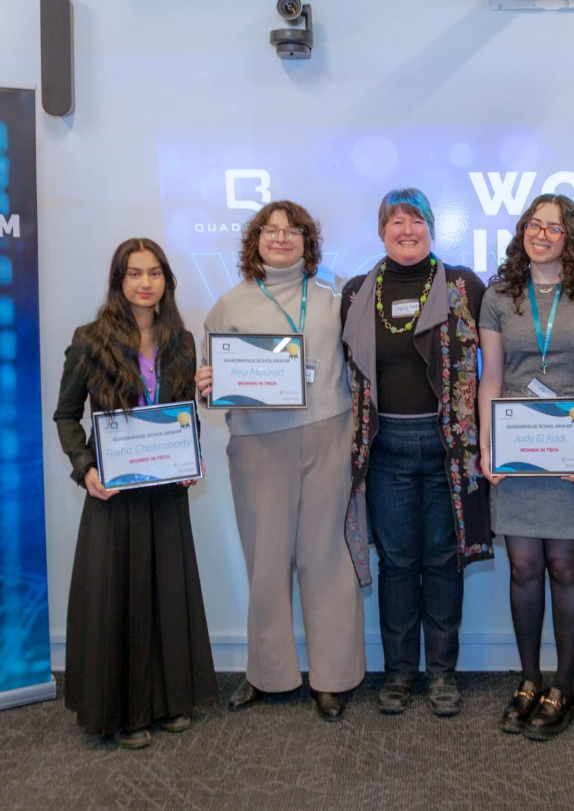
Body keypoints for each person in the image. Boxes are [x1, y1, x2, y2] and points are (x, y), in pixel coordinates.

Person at [195, 201, 367, 721]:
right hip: (258, 445)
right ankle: (267, 674)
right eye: (270, 231)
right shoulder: (228, 305)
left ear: (308, 242)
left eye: (292, 231)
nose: (281, 238)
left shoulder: (336, 298)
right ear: (255, 241)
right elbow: (211, 383)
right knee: (266, 562)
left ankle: (333, 677)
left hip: (328, 436)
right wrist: (207, 387)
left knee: (327, 559)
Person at [54, 238, 217, 749]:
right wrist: (84, 468)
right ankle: (125, 712)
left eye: (154, 273)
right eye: (134, 273)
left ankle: (168, 702)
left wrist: (192, 456)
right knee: (118, 597)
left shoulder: (181, 342)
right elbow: (66, 416)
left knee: (167, 592)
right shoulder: (89, 341)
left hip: (166, 491)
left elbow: (183, 412)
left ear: (167, 280)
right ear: (118, 280)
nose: (145, 283)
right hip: (114, 493)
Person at [341, 188, 491, 717]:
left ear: (432, 227)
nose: (407, 231)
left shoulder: (465, 286)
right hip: (386, 449)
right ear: (381, 231)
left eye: (416, 221)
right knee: (399, 563)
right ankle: (400, 672)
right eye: (396, 222)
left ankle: (443, 674)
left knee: (445, 561)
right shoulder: (357, 293)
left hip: (450, 447)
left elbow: (498, 361)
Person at [477, 194, 574, 740]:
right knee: (524, 567)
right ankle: (529, 680)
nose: (541, 234)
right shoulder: (498, 296)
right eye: (534, 225)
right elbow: (491, 376)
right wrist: (487, 444)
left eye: (554, 228)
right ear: (522, 231)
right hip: (517, 442)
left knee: (565, 567)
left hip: (573, 444)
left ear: (570, 236)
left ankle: (564, 685)